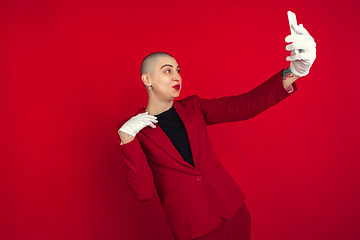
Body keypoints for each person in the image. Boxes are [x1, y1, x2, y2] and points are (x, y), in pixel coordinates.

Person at [117, 22, 316, 240]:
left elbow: (244, 105)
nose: (177, 76)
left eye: (178, 70)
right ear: (147, 80)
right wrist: (127, 139)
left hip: (234, 212)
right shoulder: (133, 131)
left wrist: (293, 72)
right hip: (196, 229)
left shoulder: (194, 107)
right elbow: (144, 193)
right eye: (167, 71)